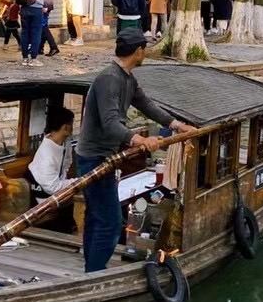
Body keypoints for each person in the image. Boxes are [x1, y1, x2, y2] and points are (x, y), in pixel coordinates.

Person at [75, 32, 190, 272]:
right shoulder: (109, 79)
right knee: (110, 221)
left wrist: (175, 125)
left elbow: (146, 104)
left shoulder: (127, 78)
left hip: (104, 156)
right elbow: (110, 122)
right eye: (144, 49)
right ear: (137, 51)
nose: (145, 53)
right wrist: (138, 139)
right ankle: (94, 274)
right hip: (94, 158)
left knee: (97, 216)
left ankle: (91, 268)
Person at [27, 106, 75, 198]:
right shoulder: (47, 155)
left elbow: (67, 162)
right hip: (42, 197)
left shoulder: (65, 142)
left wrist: (64, 180)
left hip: (57, 190)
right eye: (71, 124)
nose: (72, 127)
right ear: (65, 127)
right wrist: (79, 181)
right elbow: (53, 188)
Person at [15, 0, 47, 66]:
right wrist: (46, 5)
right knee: (36, 33)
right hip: (36, 7)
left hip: (24, 7)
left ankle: (24, 58)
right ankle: (33, 58)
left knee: (25, 32)